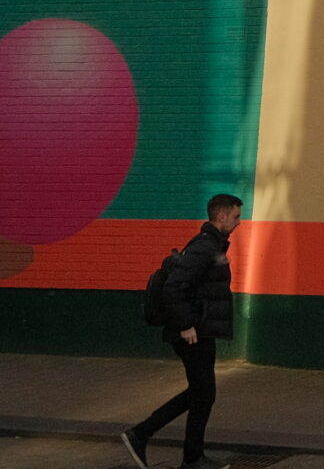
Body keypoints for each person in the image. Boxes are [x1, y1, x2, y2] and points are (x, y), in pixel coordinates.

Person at [122, 194, 241, 469]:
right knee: (204, 393)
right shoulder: (204, 248)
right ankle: (163, 444)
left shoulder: (212, 245)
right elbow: (173, 287)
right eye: (236, 216)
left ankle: (163, 444)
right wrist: (186, 325)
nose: (239, 222)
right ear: (221, 216)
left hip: (200, 330)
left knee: (202, 393)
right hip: (192, 333)